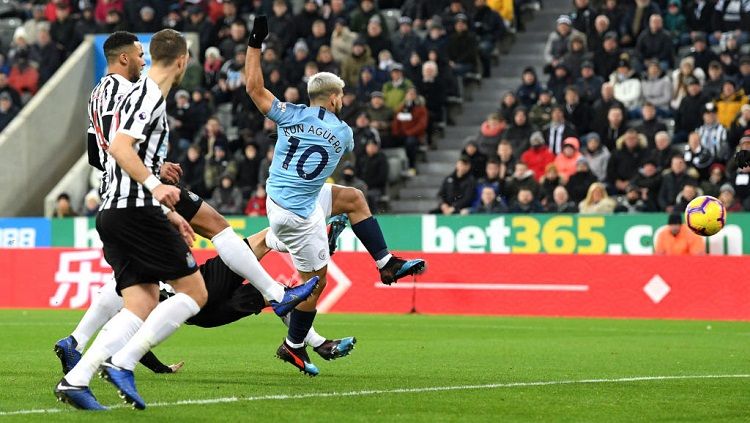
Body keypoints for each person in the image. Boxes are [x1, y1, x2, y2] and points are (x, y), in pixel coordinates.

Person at [55, 30, 317, 411]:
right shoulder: (145, 94)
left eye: (146, 55)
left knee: (140, 301)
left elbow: (105, 152)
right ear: (182, 61)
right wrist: (155, 188)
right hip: (135, 207)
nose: (142, 60)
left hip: (115, 209)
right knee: (194, 292)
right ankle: (121, 362)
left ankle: (76, 379)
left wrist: (166, 207)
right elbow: (120, 148)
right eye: (138, 54)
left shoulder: (109, 93)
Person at [243, 16, 425, 376]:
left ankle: (384, 261)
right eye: (341, 96)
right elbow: (331, 150)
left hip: (280, 198)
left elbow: (253, 86)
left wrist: (254, 42)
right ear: (334, 97)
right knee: (315, 284)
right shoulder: (343, 133)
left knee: (352, 198)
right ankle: (294, 346)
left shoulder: (289, 114)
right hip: (299, 211)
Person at [54, 227, 356, 376]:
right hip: (202, 291)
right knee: (261, 247)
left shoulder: (136, 292)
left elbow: (136, 337)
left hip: (204, 315)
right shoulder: (144, 280)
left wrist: (160, 369)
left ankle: (316, 344)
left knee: (274, 293)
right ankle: (309, 241)